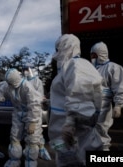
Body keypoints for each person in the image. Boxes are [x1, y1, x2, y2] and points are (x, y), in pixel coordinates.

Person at [48, 34, 103, 166]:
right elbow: (65, 95)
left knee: (81, 160)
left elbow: (80, 93)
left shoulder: (76, 64)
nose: (57, 53)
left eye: (58, 48)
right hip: (62, 133)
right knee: (67, 161)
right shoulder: (68, 68)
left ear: (65, 47)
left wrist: (71, 121)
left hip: (73, 131)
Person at [0, 68, 44, 167]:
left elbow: (34, 104)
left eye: (11, 83)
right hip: (17, 113)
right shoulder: (8, 85)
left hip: (30, 113)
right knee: (14, 137)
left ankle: (30, 161)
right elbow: (0, 92)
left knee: (32, 139)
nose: (10, 85)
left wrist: (33, 122)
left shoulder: (27, 86)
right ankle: (14, 159)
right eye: (9, 83)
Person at [90, 41, 123, 151]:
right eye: (91, 55)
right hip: (90, 104)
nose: (92, 57)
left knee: (101, 132)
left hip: (104, 104)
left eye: (94, 55)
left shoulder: (114, 67)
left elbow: (120, 86)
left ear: (100, 54)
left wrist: (118, 104)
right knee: (91, 134)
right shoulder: (92, 70)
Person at [22, 64, 51, 161]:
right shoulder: (23, 81)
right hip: (25, 110)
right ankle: (30, 150)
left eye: (27, 69)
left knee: (37, 130)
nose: (25, 71)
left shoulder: (37, 81)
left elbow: (39, 96)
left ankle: (41, 149)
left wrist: (34, 101)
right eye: (24, 69)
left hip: (35, 110)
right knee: (28, 132)